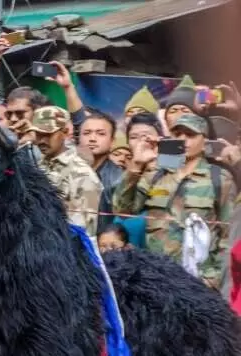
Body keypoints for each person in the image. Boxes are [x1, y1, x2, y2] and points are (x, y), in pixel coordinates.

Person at [113, 113, 236, 287]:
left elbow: (227, 234)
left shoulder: (219, 178)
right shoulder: (156, 173)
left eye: (191, 135)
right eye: (177, 135)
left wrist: (212, 278)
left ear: (205, 142)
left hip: (199, 280)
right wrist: (136, 165)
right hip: (156, 276)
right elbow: (123, 211)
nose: (183, 140)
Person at [26, 106, 103, 236]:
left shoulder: (82, 174)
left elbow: (84, 231)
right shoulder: (38, 167)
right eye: (38, 134)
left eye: (48, 134)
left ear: (65, 132)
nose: (42, 140)